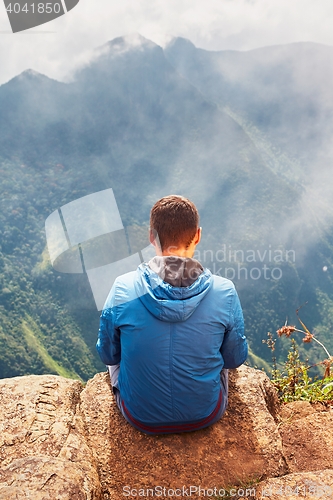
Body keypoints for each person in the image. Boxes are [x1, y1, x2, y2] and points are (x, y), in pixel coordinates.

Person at [96, 195, 248, 434]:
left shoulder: (122, 288)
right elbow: (234, 359)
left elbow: (107, 353)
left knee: (118, 357)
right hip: (204, 414)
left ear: (151, 237)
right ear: (197, 235)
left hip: (139, 416)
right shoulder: (224, 291)